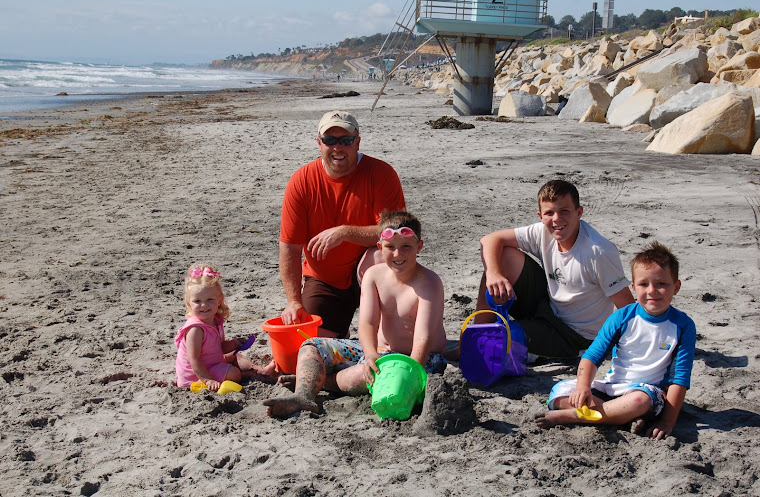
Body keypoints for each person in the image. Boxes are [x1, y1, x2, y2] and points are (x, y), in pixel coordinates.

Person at [264, 211, 447, 418]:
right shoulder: (374, 276)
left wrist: (410, 375)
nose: (398, 254)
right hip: (378, 351)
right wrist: (370, 355)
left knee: (372, 375)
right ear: (380, 247)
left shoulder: (429, 282)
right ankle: (303, 395)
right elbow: (368, 323)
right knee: (312, 345)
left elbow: (424, 337)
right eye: (390, 247)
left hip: (420, 360)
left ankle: (323, 381)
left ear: (419, 247)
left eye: (406, 246)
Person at [535, 242, 696, 440]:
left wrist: (668, 421)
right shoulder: (622, 317)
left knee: (638, 401)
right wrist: (583, 387)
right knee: (559, 392)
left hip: (647, 393)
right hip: (612, 388)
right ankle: (621, 417)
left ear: (676, 287)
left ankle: (575, 416)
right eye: (644, 284)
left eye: (661, 284)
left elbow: (679, 379)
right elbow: (592, 356)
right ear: (633, 287)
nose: (652, 290)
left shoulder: (683, 325)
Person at [278, 110, 405, 339]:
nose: (338, 147)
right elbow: (290, 247)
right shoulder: (301, 181)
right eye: (330, 140)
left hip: (368, 273)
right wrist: (294, 301)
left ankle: (387, 333)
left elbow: (395, 233)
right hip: (324, 278)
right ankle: (339, 330)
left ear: (357, 143)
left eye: (346, 140)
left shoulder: (381, 174)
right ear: (319, 144)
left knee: (379, 257)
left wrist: (344, 233)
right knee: (311, 343)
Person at [477, 179, 634, 358]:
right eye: (549, 213)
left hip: (575, 335)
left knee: (495, 339)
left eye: (564, 211)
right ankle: (470, 337)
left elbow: (627, 307)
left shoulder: (598, 252)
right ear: (540, 216)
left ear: (579, 212)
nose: (557, 219)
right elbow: (489, 239)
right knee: (503, 257)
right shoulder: (543, 231)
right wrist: (493, 273)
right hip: (549, 307)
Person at [174, 264, 258, 390]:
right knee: (233, 373)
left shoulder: (215, 321)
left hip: (211, 363)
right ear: (189, 303)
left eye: (210, 299)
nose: (203, 305)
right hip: (195, 375)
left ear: (219, 300)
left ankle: (259, 371)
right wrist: (208, 380)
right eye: (197, 301)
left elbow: (219, 347)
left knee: (234, 356)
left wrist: (234, 344)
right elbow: (194, 359)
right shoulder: (195, 329)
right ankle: (247, 374)